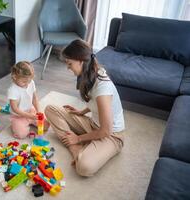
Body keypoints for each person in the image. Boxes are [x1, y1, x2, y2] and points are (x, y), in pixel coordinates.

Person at [44, 39, 125, 177]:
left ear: (80, 60)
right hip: (93, 124)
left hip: (111, 136)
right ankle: (75, 148)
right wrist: (81, 112)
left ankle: (77, 145)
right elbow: (95, 102)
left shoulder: (103, 87)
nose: (68, 68)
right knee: (50, 109)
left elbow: (106, 130)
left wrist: (78, 138)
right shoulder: (91, 74)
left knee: (84, 167)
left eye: (70, 64)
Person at [7, 61, 49, 139]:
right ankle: (18, 124)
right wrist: (30, 116)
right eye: (24, 82)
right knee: (21, 135)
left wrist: (38, 111)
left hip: (30, 111)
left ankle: (30, 122)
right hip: (18, 116)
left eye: (29, 81)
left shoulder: (31, 83)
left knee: (46, 125)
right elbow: (15, 109)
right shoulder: (13, 90)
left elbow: (34, 98)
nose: (27, 84)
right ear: (15, 77)